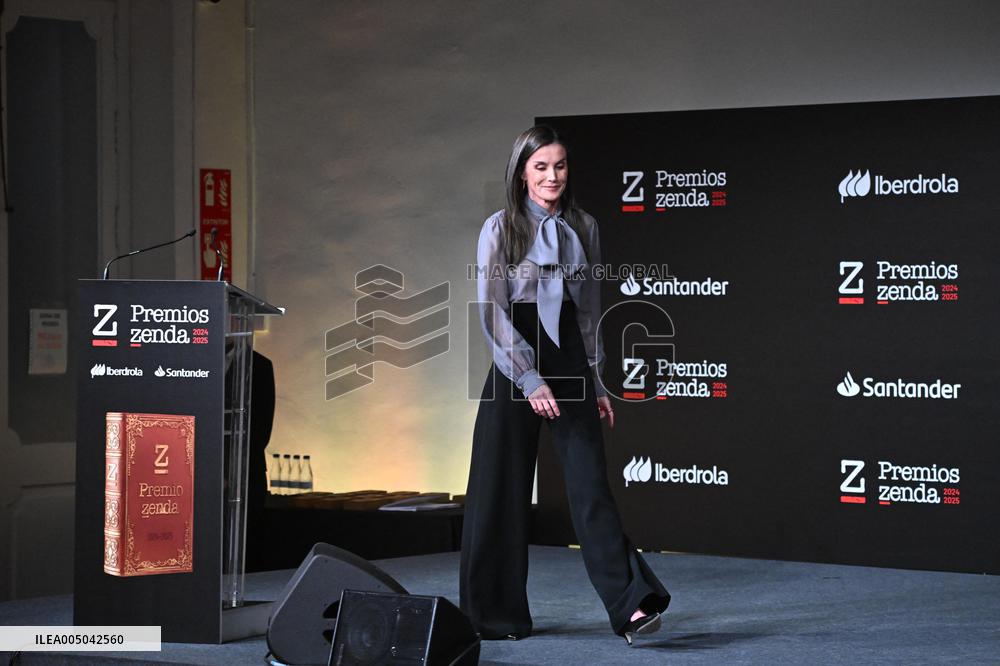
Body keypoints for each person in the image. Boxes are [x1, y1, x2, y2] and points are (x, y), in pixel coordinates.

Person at [460, 125, 670, 646]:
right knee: (499, 487)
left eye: (559, 166)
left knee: (590, 486)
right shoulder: (500, 228)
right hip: (515, 358)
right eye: (540, 167)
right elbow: (493, 311)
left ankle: (632, 607)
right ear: (522, 172)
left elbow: (589, 309)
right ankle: (493, 614)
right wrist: (529, 377)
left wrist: (595, 378)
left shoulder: (585, 226)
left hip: (570, 358)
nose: (552, 176)